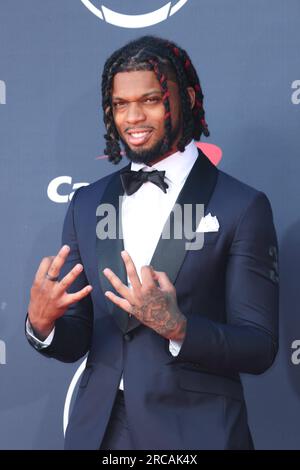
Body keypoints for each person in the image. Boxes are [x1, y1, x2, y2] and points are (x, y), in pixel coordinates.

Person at [26, 36, 279, 450]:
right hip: (99, 434)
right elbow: (80, 338)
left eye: (150, 99)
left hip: (195, 434)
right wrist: (43, 325)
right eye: (121, 104)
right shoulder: (88, 203)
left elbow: (260, 345)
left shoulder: (240, 205)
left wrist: (179, 327)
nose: (133, 117)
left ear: (187, 99)